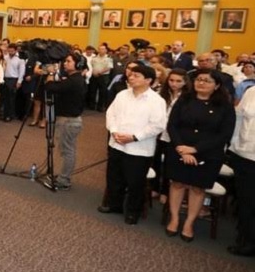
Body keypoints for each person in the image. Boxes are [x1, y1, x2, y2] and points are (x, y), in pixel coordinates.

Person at [165, 69, 235, 241]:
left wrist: (195, 150)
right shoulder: (184, 99)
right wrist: (181, 147)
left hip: (208, 154)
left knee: (197, 188)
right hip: (179, 149)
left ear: (217, 85)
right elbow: (172, 125)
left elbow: (224, 134)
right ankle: (174, 218)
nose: (201, 83)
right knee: (177, 184)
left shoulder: (225, 106)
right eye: (198, 79)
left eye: (207, 81)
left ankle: (189, 223)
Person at [100, 64, 167, 225]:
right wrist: (114, 131)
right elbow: (111, 114)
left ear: (148, 80)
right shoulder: (122, 94)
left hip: (139, 149)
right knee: (114, 178)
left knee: (135, 183)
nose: (131, 77)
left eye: (136, 76)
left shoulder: (156, 100)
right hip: (117, 144)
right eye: (131, 74)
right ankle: (115, 205)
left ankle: (132, 212)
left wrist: (134, 137)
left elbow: (157, 125)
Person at [44, 53, 87, 190]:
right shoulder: (75, 79)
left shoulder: (73, 80)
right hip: (70, 120)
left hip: (68, 121)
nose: (65, 63)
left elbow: (50, 87)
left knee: (67, 151)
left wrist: (51, 73)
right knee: (68, 150)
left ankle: (64, 180)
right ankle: (64, 177)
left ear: (78, 64)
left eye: (68, 61)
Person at [152, 68, 190, 204]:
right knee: (155, 161)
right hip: (158, 133)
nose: (174, 84)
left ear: (185, 82)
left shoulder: (188, 98)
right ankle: (154, 187)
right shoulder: (161, 93)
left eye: (178, 81)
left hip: (175, 135)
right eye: (172, 80)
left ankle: (165, 191)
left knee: (170, 164)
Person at [227, 87, 255, 256]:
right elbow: (238, 119)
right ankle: (246, 238)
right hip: (243, 155)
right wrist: (234, 145)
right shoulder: (251, 91)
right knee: (245, 201)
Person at [2, 44, 25, 121]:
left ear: (15, 51)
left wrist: (19, 81)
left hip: (14, 79)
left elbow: (21, 71)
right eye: (9, 51)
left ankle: (10, 115)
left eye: (12, 51)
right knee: (5, 98)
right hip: (5, 79)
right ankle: (5, 114)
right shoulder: (5, 58)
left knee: (11, 98)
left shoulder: (19, 60)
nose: (10, 52)